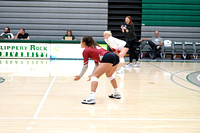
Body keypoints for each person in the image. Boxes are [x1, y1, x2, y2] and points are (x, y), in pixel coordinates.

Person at [74, 36, 121, 104]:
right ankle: (117, 93)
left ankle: (91, 98)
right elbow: (96, 65)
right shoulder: (95, 47)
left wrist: (80, 76)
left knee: (95, 77)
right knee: (109, 75)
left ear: (84, 43)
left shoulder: (86, 50)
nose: (80, 43)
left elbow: (85, 66)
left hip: (108, 57)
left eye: (80, 42)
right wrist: (92, 74)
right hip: (115, 57)